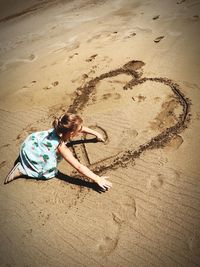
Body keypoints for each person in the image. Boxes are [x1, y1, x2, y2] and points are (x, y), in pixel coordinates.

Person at [4, 112, 112, 191]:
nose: (80, 131)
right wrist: (97, 178)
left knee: (42, 150)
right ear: (70, 134)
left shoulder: (60, 127)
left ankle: (23, 163)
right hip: (38, 160)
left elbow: (80, 127)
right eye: (78, 131)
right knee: (49, 171)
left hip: (31, 145)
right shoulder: (60, 146)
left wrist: (96, 134)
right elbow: (78, 166)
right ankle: (22, 170)